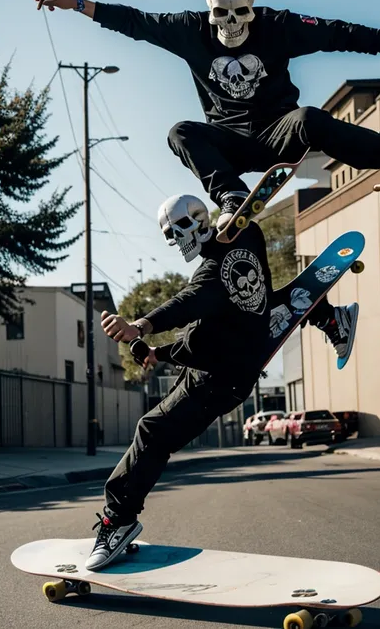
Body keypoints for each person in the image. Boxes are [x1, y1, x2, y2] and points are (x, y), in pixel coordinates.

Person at [35, 0, 380, 229]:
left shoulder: (277, 26)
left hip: (279, 133)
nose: (231, 26)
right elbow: (135, 22)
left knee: (308, 117)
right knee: (179, 132)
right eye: (222, 16)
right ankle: (231, 198)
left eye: (240, 16)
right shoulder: (188, 30)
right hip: (228, 144)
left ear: (251, 10)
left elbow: (338, 32)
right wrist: (77, 4)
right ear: (210, 12)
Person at [86, 194, 358, 570]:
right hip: (234, 349)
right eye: (167, 235)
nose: (175, 241)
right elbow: (204, 322)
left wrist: (141, 325)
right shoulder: (251, 236)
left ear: (199, 220)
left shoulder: (210, 273)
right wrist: (157, 353)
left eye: (177, 231)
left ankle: (118, 522)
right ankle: (329, 317)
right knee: (261, 306)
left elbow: (189, 301)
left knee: (152, 431)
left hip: (215, 380)